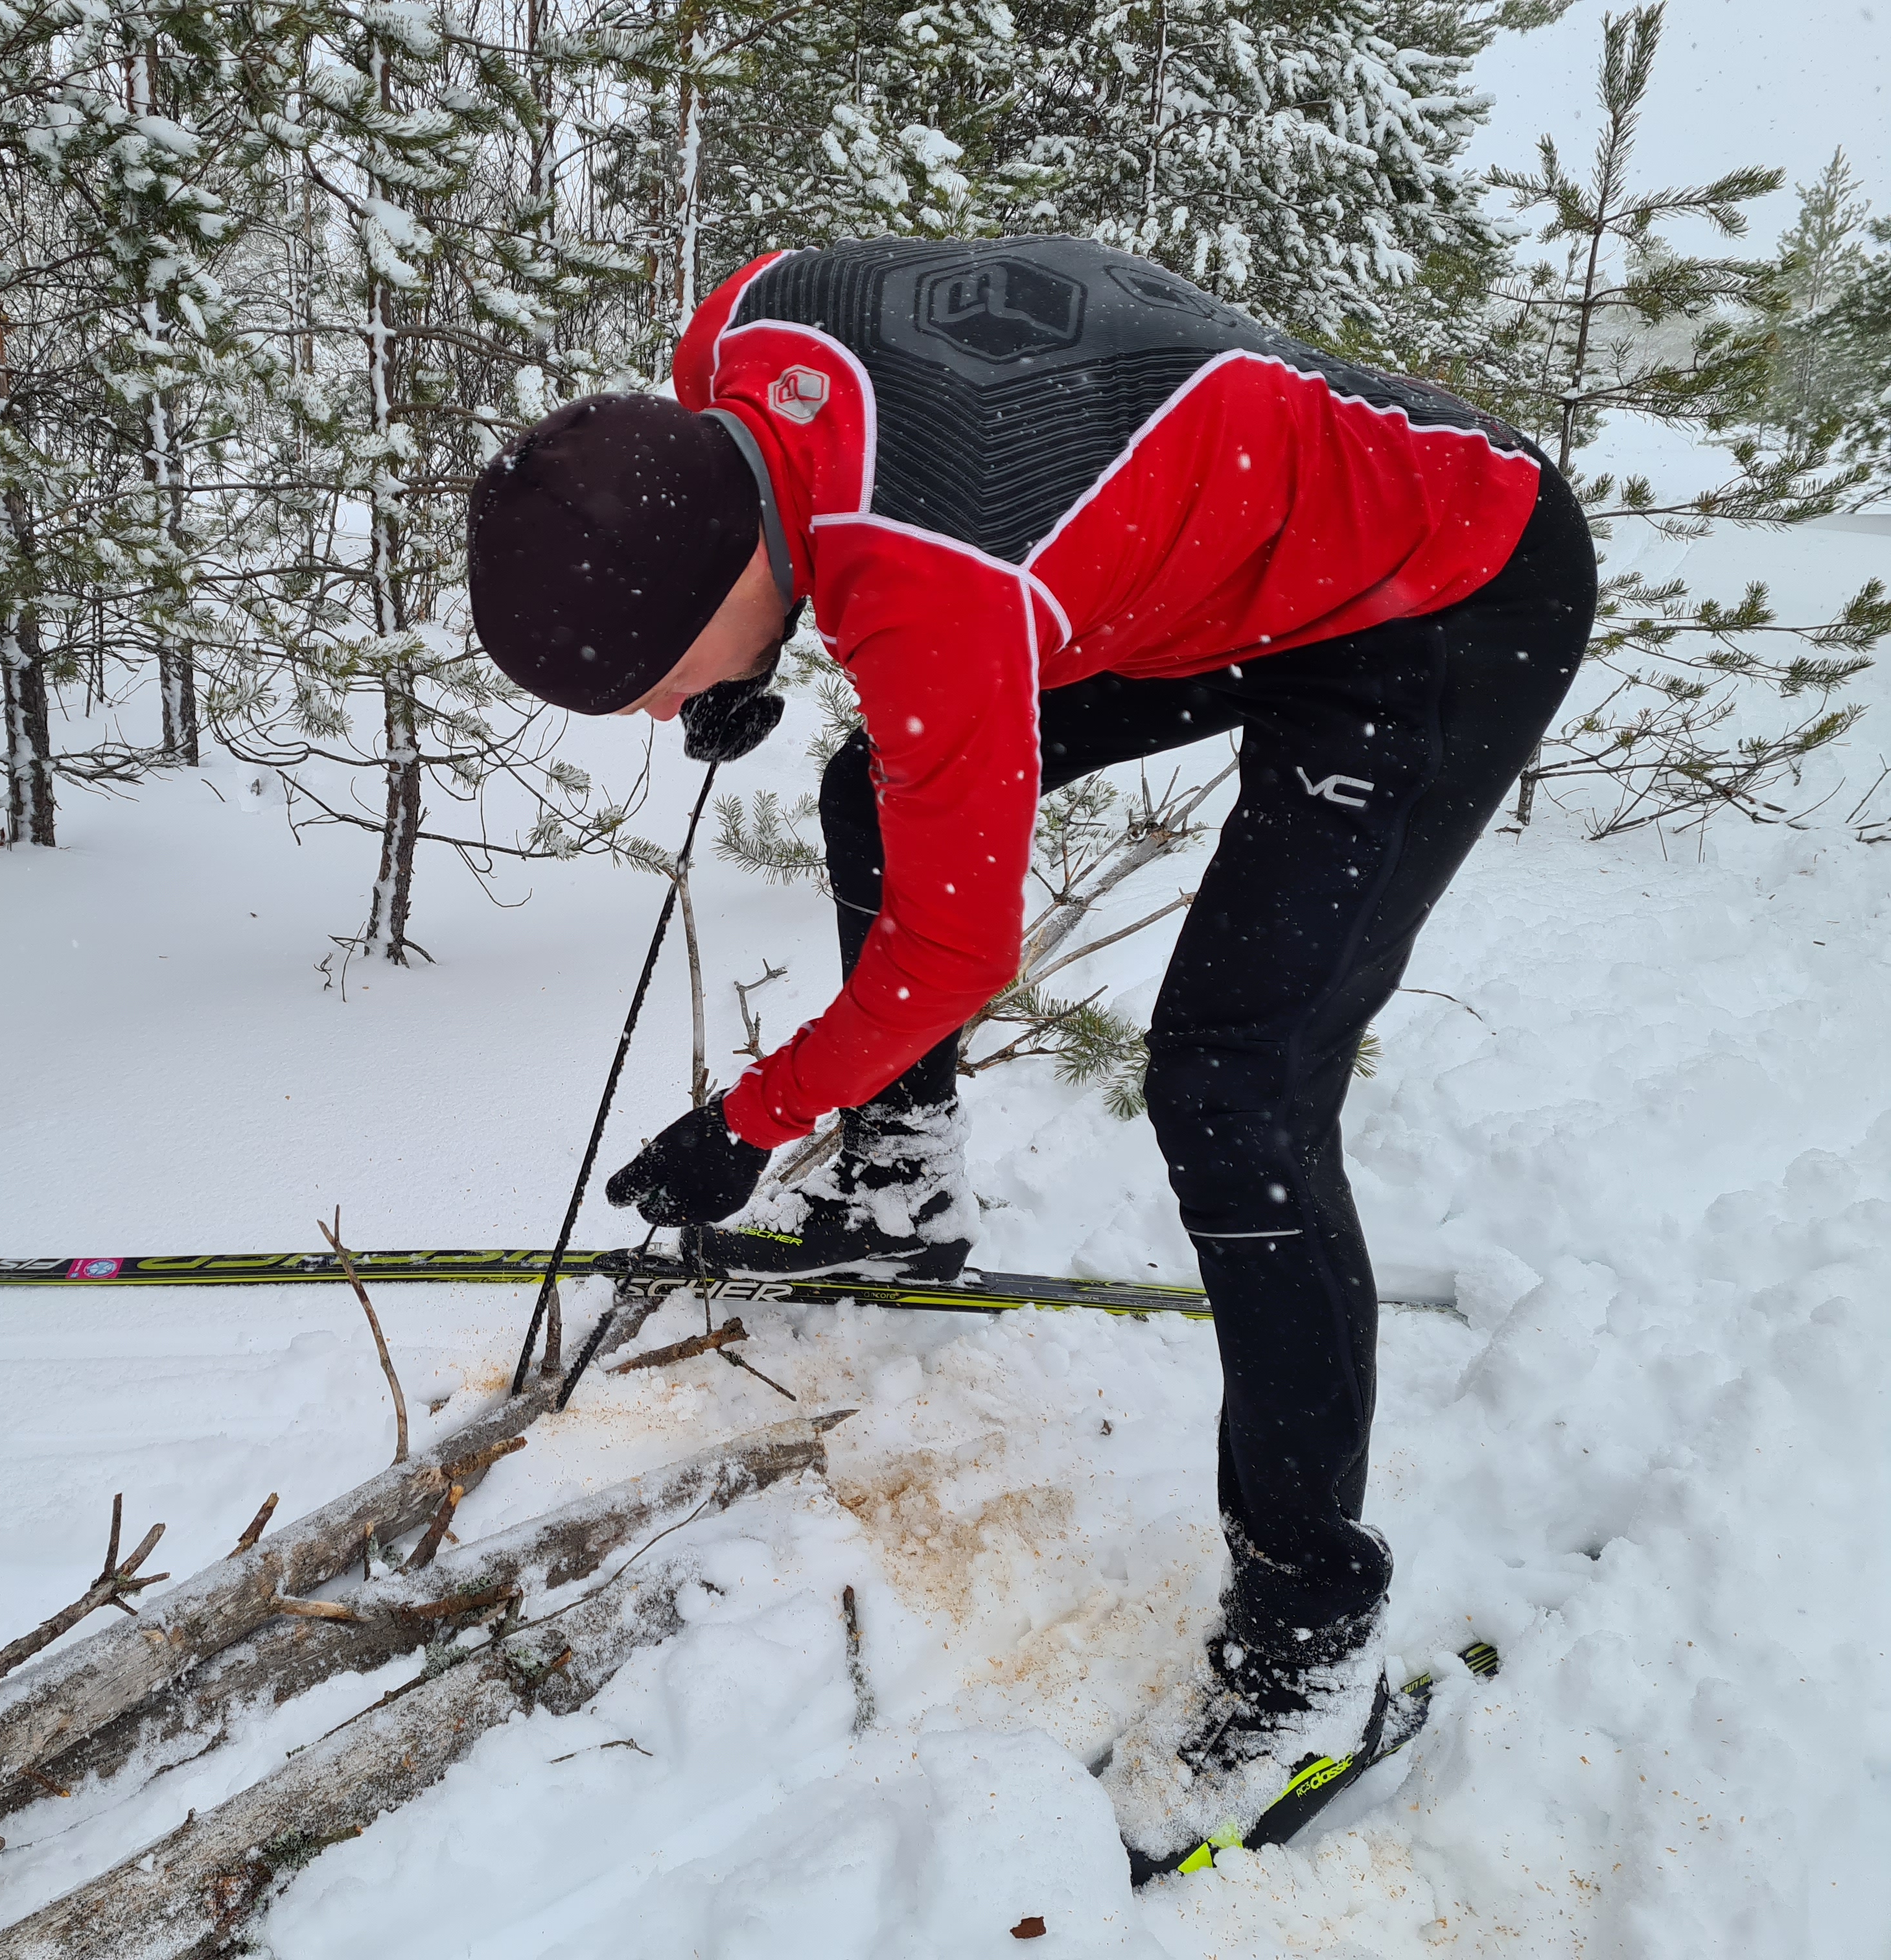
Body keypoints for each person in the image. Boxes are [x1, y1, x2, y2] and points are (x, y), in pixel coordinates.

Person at [463, 237, 1594, 1876]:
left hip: (1443, 583)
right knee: (870, 792)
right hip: (1236, 532)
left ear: (724, 573)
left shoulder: (928, 588)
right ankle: (902, 1194)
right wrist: (747, 643)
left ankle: (1310, 1646)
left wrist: (749, 1123)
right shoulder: (735, 342)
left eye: (655, 686)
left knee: (1234, 1085)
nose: (657, 719)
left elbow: (952, 954)